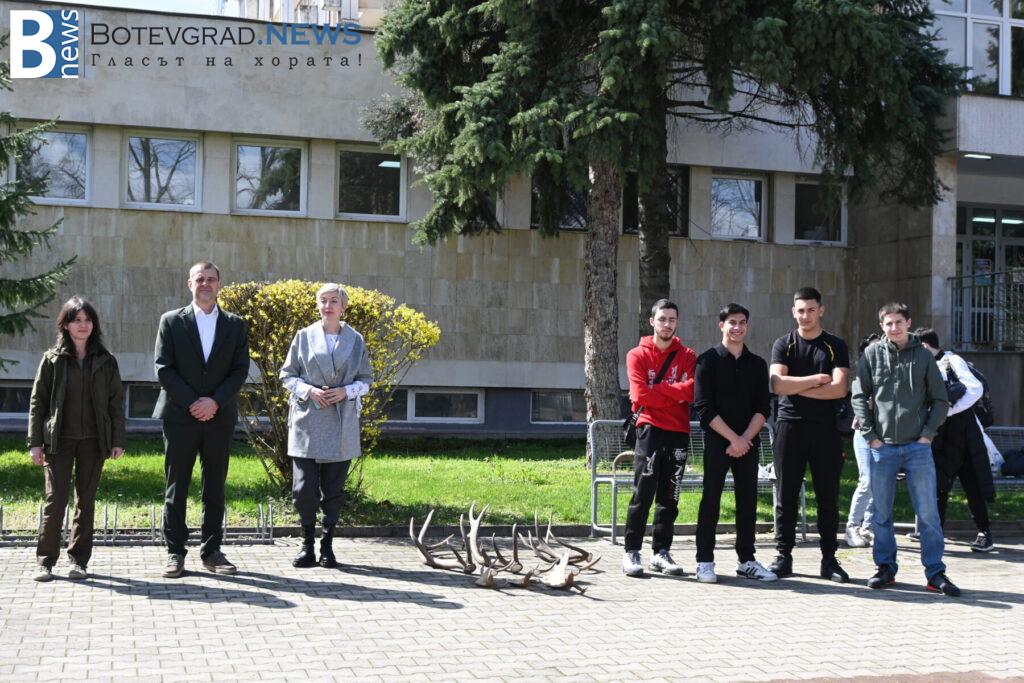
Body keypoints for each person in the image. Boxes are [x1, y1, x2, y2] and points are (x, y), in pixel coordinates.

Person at [851, 303, 958, 596]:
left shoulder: (923, 356)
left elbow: (940, 400)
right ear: (882, 326)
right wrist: (871, 436)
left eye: (899, 322)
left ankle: (935, 574)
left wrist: (927, 435)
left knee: (928, 514)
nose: (894, 328)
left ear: (908, 322)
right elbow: (858, 395)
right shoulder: (872, 354)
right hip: (881, 448)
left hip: (917, 448)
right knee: (881, 514)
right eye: (888, 323)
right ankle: (885, 569)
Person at [154, 261, 250, 578]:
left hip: (219, 418)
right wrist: (194, 402)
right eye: (200, 279)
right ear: (189, 284)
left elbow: (239, 370)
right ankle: (175, 552)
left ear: (219, 284)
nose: (205, 284)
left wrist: (214, 402)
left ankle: (212, 552)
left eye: (211, 279)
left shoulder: (235, 325)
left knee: (215, 488)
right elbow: (164, 368)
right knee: (176, 487)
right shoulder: (171, 321)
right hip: (180, 417)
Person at [27, 297, 126, 582]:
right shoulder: (52, 360)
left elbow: (115, 404)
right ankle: (45, 562)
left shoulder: (106, 361)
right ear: (66, 325)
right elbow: (38, 403)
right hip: (57, 441)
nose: (83, 325)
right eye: (77, 320)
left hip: (93, 442)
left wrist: (117, 439)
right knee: (55, 501)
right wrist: (35, 442)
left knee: (86, 501)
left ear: (94, 325)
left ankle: (78, 562)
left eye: (87, 320)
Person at [279, 283, 372, 568]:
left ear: (343, 307)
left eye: (334, 301)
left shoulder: (356, 340)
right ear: (317, 305)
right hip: (308, 420)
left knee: (334, 490)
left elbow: (366, 380)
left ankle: (327, 547)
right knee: (304, 489)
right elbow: (287, 375)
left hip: (341, 420)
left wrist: (346, 391)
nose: (328, 306)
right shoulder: (303, 336)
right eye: (323, 300)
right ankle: (306, 545)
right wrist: (309, 391)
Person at [768, 286, 851, 583]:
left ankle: (829, 559)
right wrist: (816, 380)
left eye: (811, 310)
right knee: (786, 495)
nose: (805, 316)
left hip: (825, 430)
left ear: (821, 310)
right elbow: (777, 385)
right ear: (794, 312)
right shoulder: (784, 344)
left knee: (828, 497)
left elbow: (839, 389)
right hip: (789, 427)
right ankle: (783, 556)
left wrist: (795, 386)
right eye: (800, 311)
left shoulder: (835, 345)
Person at [693, 303, 776, 583]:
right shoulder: (707, 361)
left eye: (742, 322)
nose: (737, 327)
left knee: (747, 501)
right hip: (719, 442)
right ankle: (705, 561)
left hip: (748, 443)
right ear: (722, 326)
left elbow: (763, 407)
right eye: (732, 322)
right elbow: (703, 408)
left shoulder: (757, 364)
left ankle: (746, 560)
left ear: (747, 326)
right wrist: (733, 439)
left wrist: (745, 439)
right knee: (711, 500)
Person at [621, 299, 696, 577]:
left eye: (672, 319)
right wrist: (675, 392)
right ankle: (632, 551)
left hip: (678, 431)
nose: (667, 324)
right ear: (652, 321)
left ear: (677, 322)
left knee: (670, 496)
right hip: (650, 429)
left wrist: (659, 390)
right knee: (643, 492)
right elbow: (640, 395)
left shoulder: (687, 355)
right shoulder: (637, 355)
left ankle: (661, 552)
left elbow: (693, 390)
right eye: (662, 319)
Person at [916, 327, 995, 553]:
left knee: (972, 483)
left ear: (924, 346)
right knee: (937, 485)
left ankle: (984, 532)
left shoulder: (952, 361)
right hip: (941, 435)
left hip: (964, 433)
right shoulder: (926, 365)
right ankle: (935, 533)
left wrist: (945, 412)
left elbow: (974, 389)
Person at [845, 333, 880, 548]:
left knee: (878, 481)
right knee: (867, 480)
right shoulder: (863, 375)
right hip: (864, 432)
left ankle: (869, 527)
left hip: (884, 434)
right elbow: (861, 404)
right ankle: (852, 526)